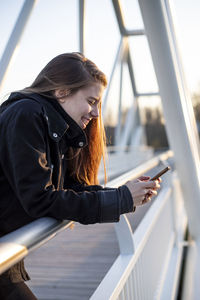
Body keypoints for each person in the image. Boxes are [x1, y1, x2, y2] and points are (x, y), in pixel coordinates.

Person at [0, 52, 160, 299]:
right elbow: (40, 199)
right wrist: (121, 199)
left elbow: (71, 187)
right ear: (62, 91)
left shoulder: (53, 125)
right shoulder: (26, 115)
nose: (96, 113)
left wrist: (124, 193)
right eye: (91, 101)